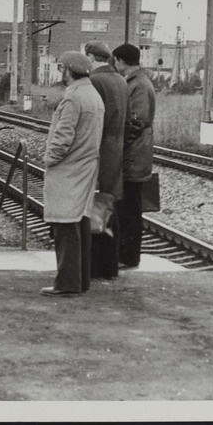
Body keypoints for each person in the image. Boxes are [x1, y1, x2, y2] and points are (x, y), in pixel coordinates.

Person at [41, 51, 104, 297]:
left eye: (61, 69)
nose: (61, 74)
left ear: (68, 71)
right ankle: (80, 281)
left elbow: (63, 136)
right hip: (87, 166)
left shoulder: (73, 98)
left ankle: (67, 283)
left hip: (69, 169)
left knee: (65, 225)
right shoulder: (94, 95)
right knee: (80, 222)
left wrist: (49, 159)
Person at [85, 41, 129, 280]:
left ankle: (93, 267)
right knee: (110, 209)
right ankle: (110, 266)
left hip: (99, 150)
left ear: (91, 57)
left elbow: (93, 120)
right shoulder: (122, 82)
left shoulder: (94, 81)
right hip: (117, 151)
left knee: (94, 207)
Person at [111, 43, 155, 269]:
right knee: (128, 208)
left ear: (121, 61)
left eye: (116, 61)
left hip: (133, 156)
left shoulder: (138, 85)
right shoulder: (137, 82)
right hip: (134, 155)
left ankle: (129, 256)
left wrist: (120, 144)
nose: (115, 66)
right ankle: (126, 254)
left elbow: (137, 121)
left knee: (130, 210)